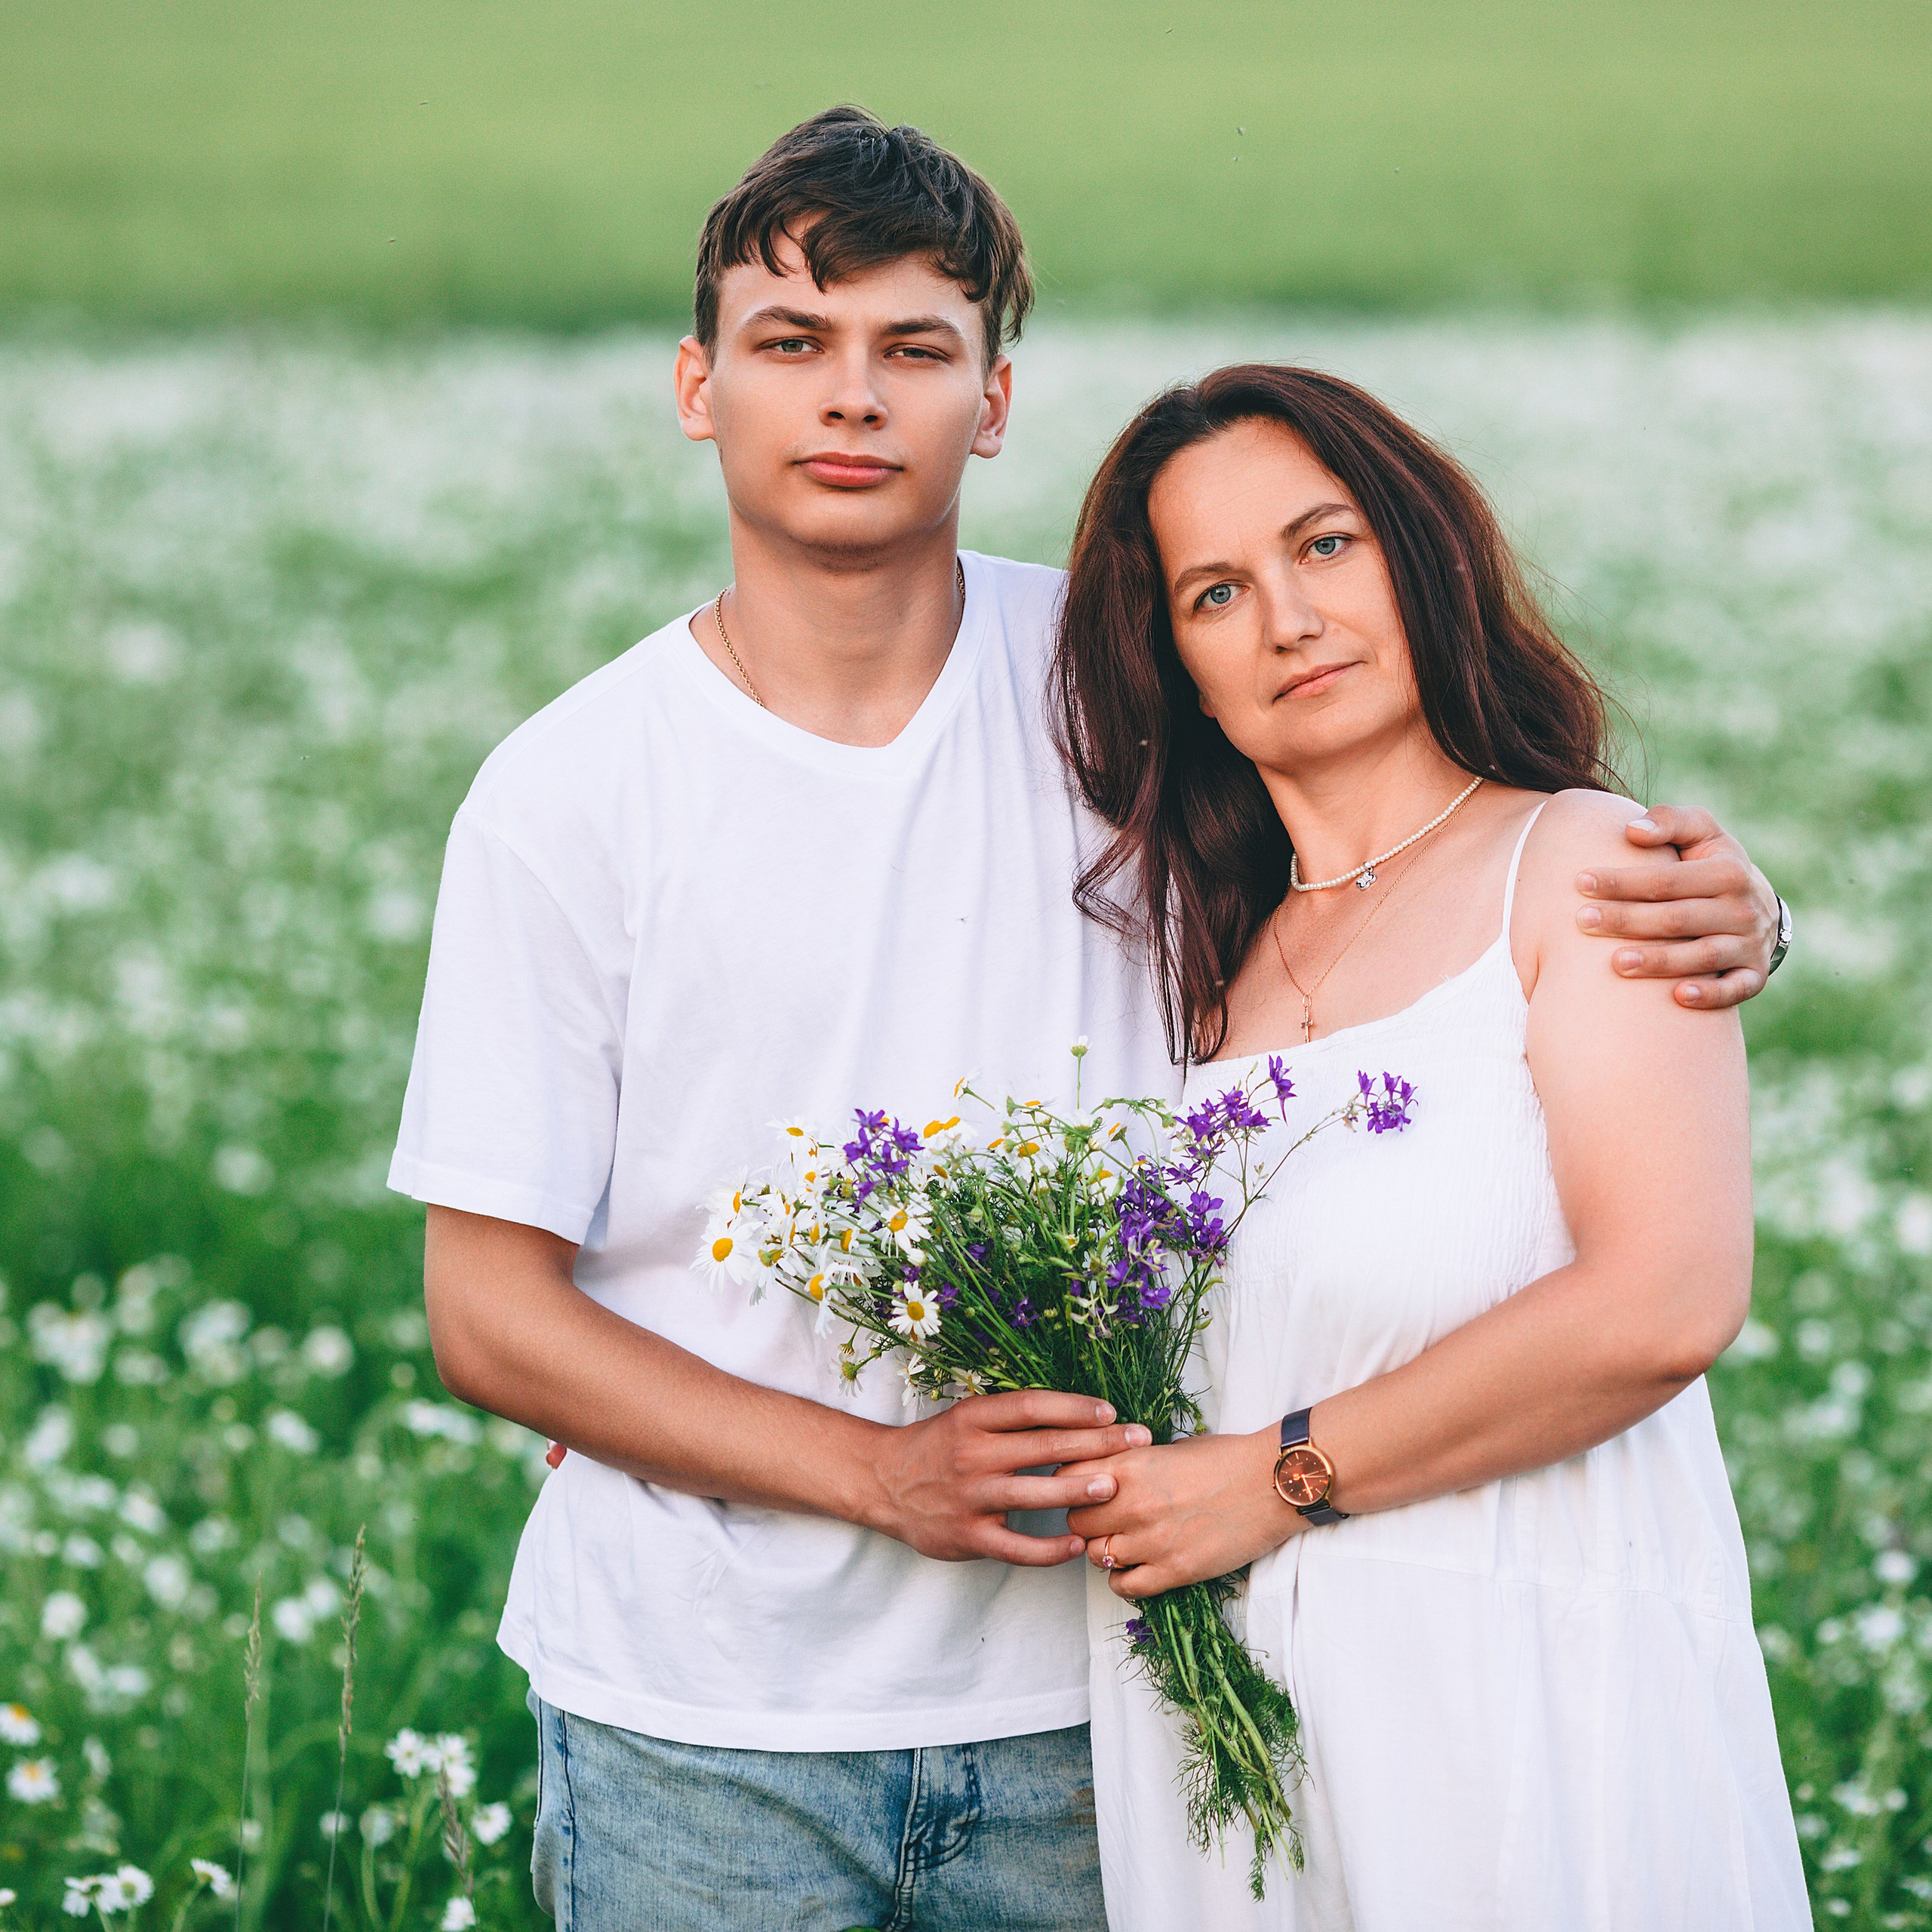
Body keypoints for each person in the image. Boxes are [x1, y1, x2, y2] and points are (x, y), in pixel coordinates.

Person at [390, 111, 1786, 1932]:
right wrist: (877, 1473)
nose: (849, 401)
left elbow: (1415, 870)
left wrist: (1726, 908)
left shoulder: (1123, 694)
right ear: (693, 383)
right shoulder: (565, 789)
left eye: (914, 349)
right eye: (789, 345)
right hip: (701, 1710)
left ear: (990, 402)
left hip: (1097, 1695)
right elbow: (488, 1311)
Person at [1053, 365, 1808, 1930]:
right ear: (1178, 666)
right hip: (1247, 1760)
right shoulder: (1191, 972)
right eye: (1215, 590)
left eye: (1323, 545)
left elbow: (1662, 1301)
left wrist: (1273, 1479)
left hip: (1520, 1712)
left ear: (1420, 552)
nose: (1286, 616)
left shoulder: (1583, 865)